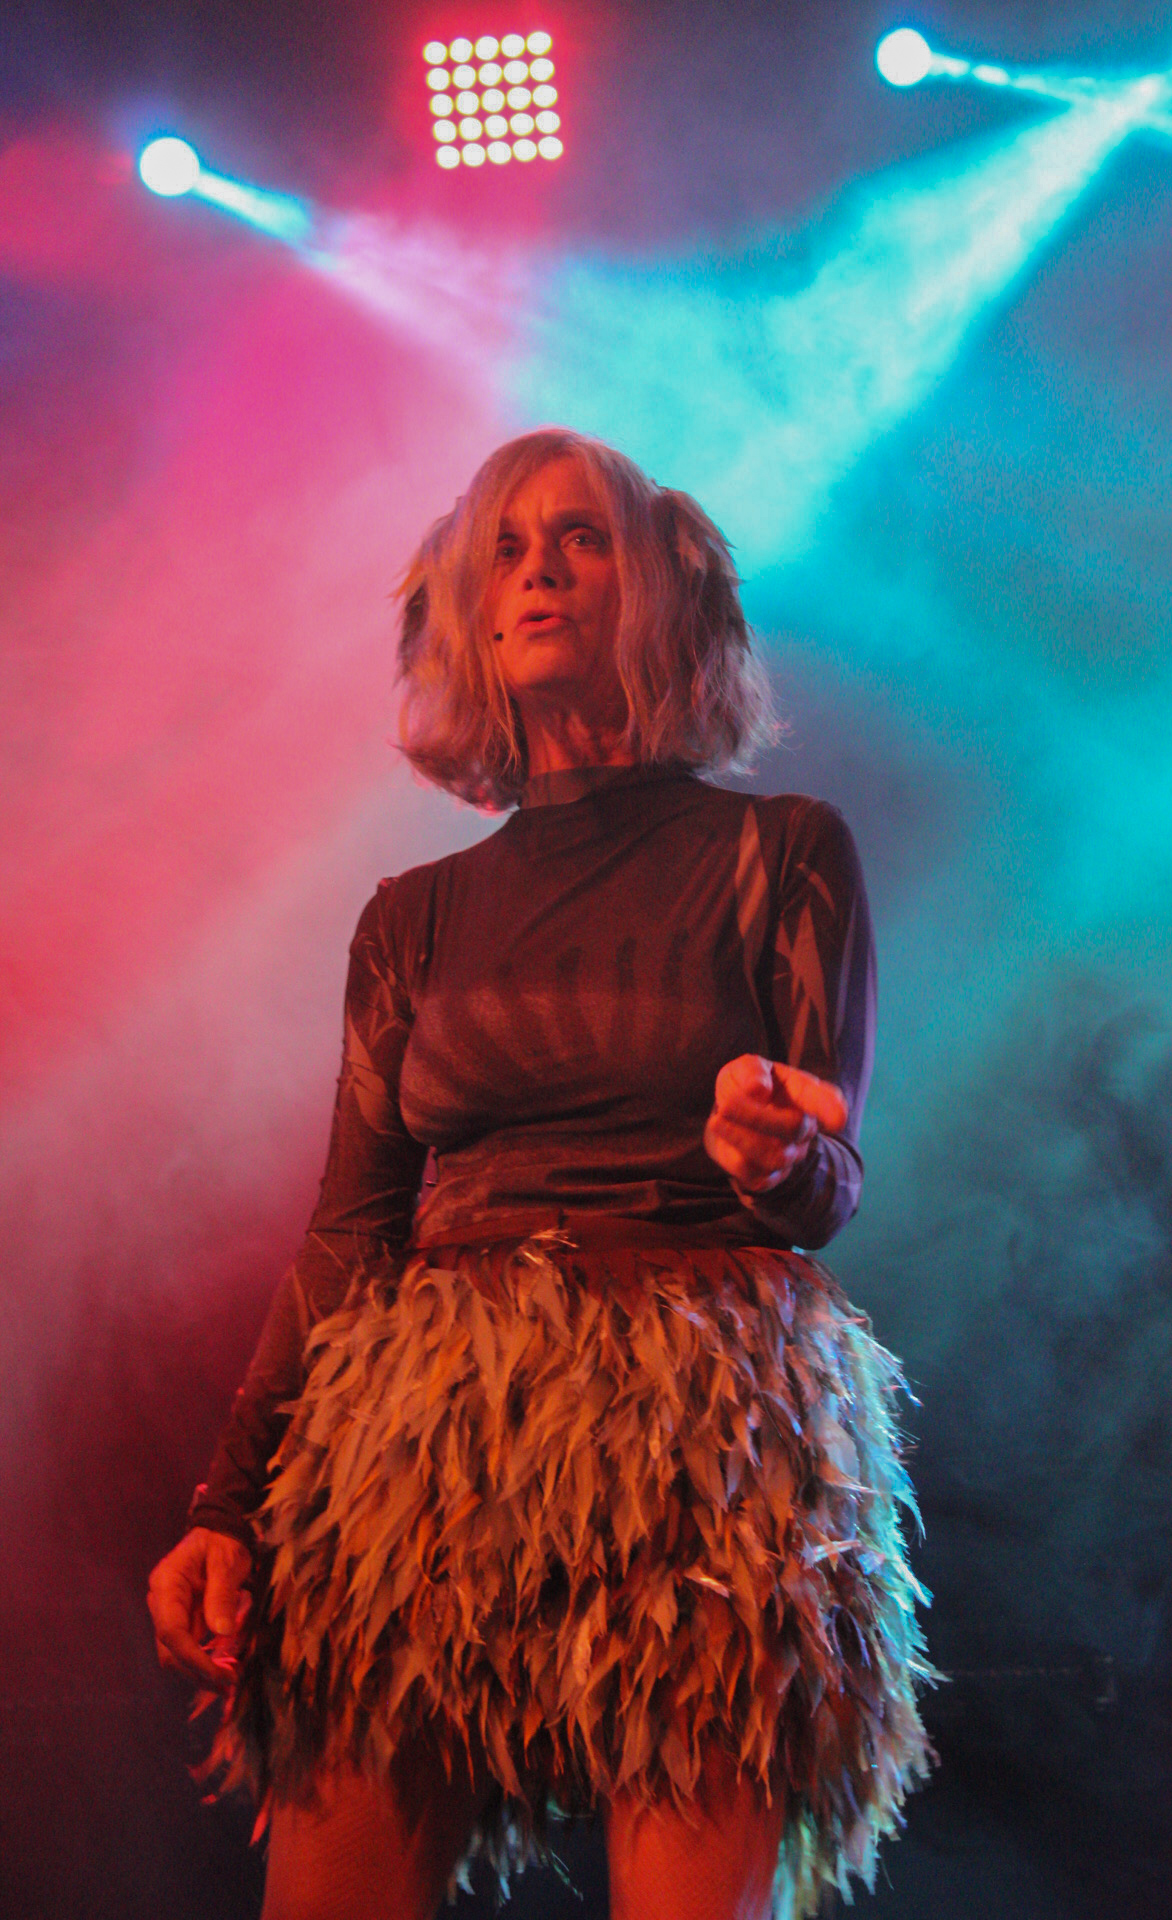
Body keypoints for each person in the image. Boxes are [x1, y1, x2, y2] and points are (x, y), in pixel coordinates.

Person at [148, 428, 931, 1920]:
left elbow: (827, 1186)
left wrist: (774, 1155)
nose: (538, 572)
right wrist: (227, 1505)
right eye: (505, 548)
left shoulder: (782, 851)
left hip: (704, 1425)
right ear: (468, 611)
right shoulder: (413, 918)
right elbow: (351, 1229)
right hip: (426, 1435)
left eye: (580, 537)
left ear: (657, 586)